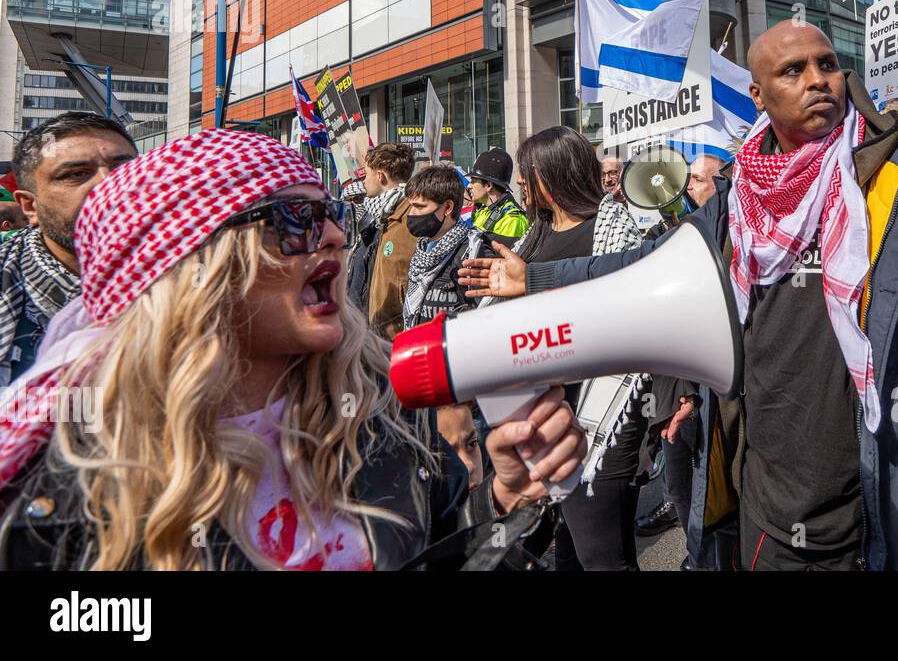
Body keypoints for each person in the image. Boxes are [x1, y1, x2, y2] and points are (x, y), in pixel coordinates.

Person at [463, 20, 898, 571]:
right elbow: (647, 267)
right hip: (765, 523)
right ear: (758, 95)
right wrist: (538, 279)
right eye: (792, 71)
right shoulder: (731, 207)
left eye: (827, 64)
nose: (817, 79)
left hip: (896, 521)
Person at [0, 129, 585, 570]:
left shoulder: (378, 412)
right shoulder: (71, 481)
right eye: (296, 219)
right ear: (194, 264)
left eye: (328, 213)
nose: (333, 235)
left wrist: (504, 504)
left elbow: (446, 550)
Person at [484, 126, 644, 570]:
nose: (518, 183)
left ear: (552, 175)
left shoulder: (611, 229)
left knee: (603, 554)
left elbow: (626, 312)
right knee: (566, 551)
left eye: (527, 173)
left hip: (600, 412)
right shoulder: (532, 235)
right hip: (544, 411)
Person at [0, 114, 136, 387]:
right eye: (76, 174)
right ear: (29, 206)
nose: (109, 186)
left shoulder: (208, 277)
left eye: (125, 169)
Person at [636, 152, 725, 545]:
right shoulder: (669, 233)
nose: (687, 186)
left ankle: (705, 553)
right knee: (680, 481)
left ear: (719, 185)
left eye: (697, 180)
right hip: (678, 387)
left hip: (704, 387)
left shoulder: (724, 235)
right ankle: (696, 548)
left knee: (709, 484)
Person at [348, 142, 417, 339]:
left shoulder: (410, 219)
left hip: (394, 339)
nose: (364, 182)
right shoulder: (378, 217)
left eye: (366, 175)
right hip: (374, 335)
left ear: (380, 176)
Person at [402, 164, 479, 330]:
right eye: (411, 206)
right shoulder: (422, 251)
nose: (412, 213)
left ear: (448, 207)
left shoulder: (472, 253)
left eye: (420, 206)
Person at [466, 147, 529, 245]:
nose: (469, 186)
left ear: (488, 185)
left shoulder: (512, 220)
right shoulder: (482, 211)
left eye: (473, 181)